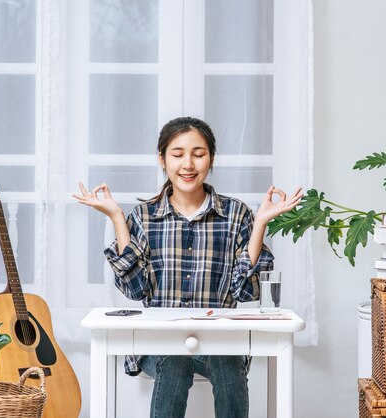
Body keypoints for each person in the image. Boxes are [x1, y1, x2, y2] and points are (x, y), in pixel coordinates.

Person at [73, 116, 303, 418]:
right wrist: (117, 217)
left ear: (211, 159)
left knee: (227, 360)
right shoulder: (144, 217)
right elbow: (135, 289)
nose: (188, 164)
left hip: (218, 345)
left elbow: (244, 292)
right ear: (162, 159)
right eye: (178, 154)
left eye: (198, 153)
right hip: (157, 345)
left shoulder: (237, 214)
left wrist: (260, 223)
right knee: (175, 359)